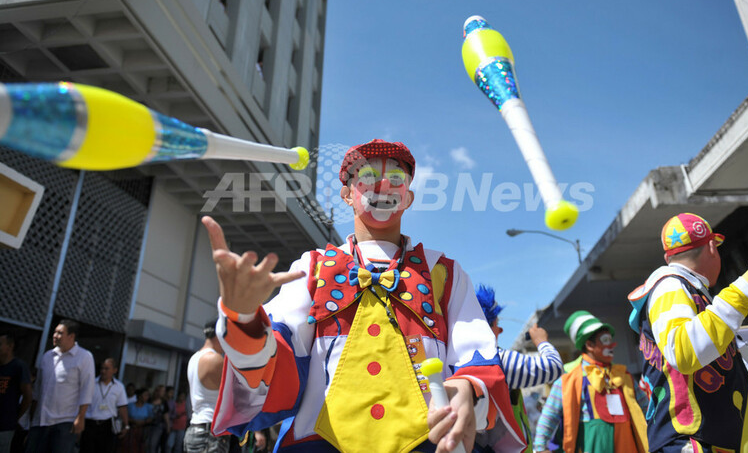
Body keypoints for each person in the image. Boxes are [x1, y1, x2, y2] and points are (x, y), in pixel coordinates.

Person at [204, 139, 525, 452]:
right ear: (346, 194)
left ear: (409, 197)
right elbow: (279, 354)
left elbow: (479, 360)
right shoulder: (313, 267)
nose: (383, 185)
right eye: (368, 177)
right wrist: (244, 320)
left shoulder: (444, 272)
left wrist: (468, 387)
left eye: (395, 178)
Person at [627, 212, 748, 453]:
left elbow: (733, 389)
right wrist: (743, 290)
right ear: (711, 247)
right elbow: (683, 352)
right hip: (688, 445)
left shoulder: (704, 307)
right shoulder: (670, 284)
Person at [533, 311, 648, 453]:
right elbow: (549, 415)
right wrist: (540, 448)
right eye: (605, 340)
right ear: (589, 345)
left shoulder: (623, 376)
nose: (612, 345)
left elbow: (645, 408)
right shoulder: (569, 380)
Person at [474, 285, 564, 452]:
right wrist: (541, 341)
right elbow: (554, 367)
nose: (500, 330)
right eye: (496, 324)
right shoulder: (496, 359)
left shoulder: (455, 358)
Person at [26, 319, 95, 453]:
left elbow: (87, 389)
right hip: (40, 421)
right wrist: (32, 417)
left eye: (60, 333)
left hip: (64, 423)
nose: (55, 336)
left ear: (71, 336)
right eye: (55, 332)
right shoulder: (47, 356)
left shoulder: (84, 357)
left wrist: (81, 418)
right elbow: (38, 389)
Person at [183, 319, 228, 453]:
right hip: (209, 433)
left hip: (196, 427)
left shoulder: (195, 358)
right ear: (220, 333)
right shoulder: (215, 359)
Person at [0, 332, 32, 452]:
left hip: (3, 426)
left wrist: (15, 416)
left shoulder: (18, 367)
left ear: (10, 346)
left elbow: (27, 396)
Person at [80, 357, 129, 453]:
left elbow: (122, 407)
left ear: (115, 370)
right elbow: (83, 403)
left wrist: (126, 425)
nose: (103, 371)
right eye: (102, 368)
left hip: (108, 425)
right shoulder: (91, 383)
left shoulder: (119, 387)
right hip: (90, 424)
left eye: (107, 369)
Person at [126, 388, 153, 453]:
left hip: (143, 430)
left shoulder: (148, 406)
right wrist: (134, 422)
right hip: (131, 429)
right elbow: (126, 417)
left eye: (148, 395)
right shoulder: (130, 405)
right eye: (145, 395)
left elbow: (151, 418)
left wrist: (143, 422)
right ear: (140, 396)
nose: (147, 397)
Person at [147, 385, 170, 453]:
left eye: (164, 391)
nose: (163, 392)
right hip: (146, 424)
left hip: (158, 425)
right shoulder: (149, 400)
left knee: (153, 444)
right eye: (162, 391)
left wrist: (168, 426)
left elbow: (166, 415)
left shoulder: (164, 402)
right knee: (146, 443)